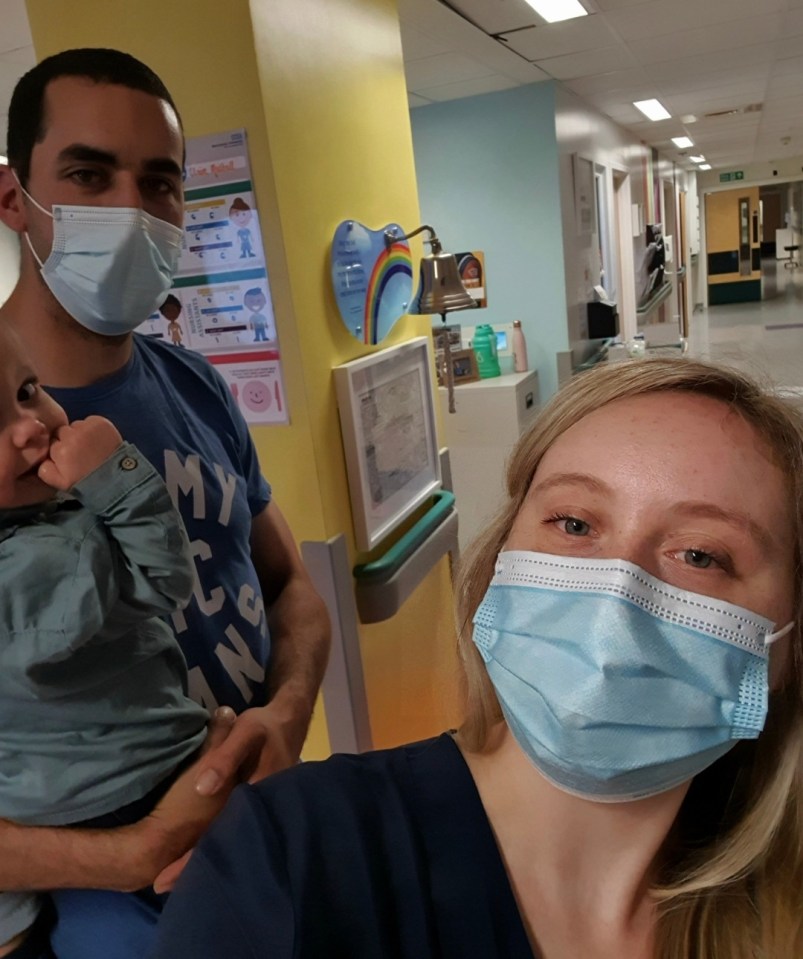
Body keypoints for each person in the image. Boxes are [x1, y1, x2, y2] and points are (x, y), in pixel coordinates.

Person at [153, 357, 803, 959]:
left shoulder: (781, 901)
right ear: (498, 557)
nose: (615, 589)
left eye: (700, 555)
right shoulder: (288, 867)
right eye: (573, 523)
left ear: (786, 641)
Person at [0, 47, 330, 955]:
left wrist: (286, 715)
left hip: (257, 825)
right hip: (104, 905)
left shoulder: (194, 383)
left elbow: (289, 580)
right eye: (87, 174)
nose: (129, 212)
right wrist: (127, 853)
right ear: (10, 199)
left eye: (159, 184)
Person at [0, 324, 224, 959]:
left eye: (26, 390)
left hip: (57, 808)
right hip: (132, 789)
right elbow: (162, 578)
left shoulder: (31, 522)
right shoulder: (36, 563)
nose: (29, 427)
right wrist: (116, 475)